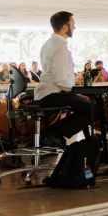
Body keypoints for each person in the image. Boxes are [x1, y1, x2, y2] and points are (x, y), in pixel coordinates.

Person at [34, 11, 92, 148]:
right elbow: (60, 79)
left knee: (86, 107)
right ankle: (54, 135)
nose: (75, 28)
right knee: (94, 110)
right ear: (65, 27)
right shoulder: (60, 47)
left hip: (46, 93)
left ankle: (48, 135)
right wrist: (74, 90)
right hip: (53, 94)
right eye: (73, 24)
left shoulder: (48, 43)